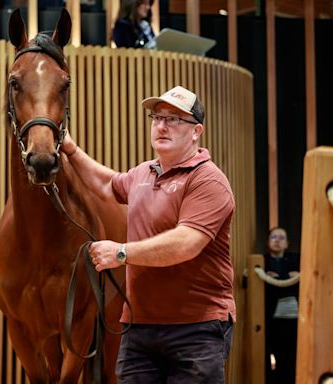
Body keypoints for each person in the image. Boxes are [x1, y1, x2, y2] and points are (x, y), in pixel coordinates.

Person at [61, 85, 236, 383]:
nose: (162, 125)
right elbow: (106, 184)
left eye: (174, 119)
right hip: (140, 329)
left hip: (196, 330)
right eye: (157, 117)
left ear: (196, 131)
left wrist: (121, 253)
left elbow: (186, 243)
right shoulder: (143, 173)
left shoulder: (208, 180)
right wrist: (70, 149)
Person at [264, 227, 300, 384]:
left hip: (295, 318)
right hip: (271, 318)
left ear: (287, 243)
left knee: (292, 358)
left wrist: (278, 278)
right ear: (267, 242)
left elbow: (296, 285)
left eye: (281, 237)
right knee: (272, 355)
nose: (277, 240)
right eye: (273, 237)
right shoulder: (262, 261)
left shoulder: (296, 259)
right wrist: (287, 278)